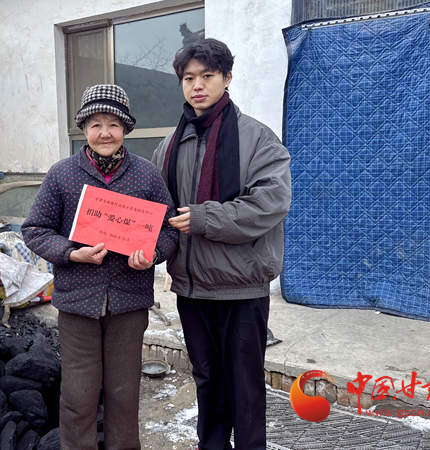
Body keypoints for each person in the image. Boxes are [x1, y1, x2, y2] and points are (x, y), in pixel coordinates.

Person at [151, 39, 292, 450]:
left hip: (241, 287)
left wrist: (204, 218)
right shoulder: (168, 146)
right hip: (192, 289)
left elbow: (270, 203)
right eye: (188, 78)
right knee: (207, 379)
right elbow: (155, 208)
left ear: (227, 78)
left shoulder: (257, 139)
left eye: (207, 76)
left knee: (244, 385)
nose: (197, 86)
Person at [22, 84, 178, 450]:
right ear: (83, 128)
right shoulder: (62, 175)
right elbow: (35, 229)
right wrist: (71, 253)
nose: (104, 133)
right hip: (78, 302)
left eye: (113, 124)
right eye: (95, 124)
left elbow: (169, 230)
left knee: (124, 393)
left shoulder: (146, 175)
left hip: (128, 301)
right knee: (79, 394)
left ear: (125, 128)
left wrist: (152, 253)